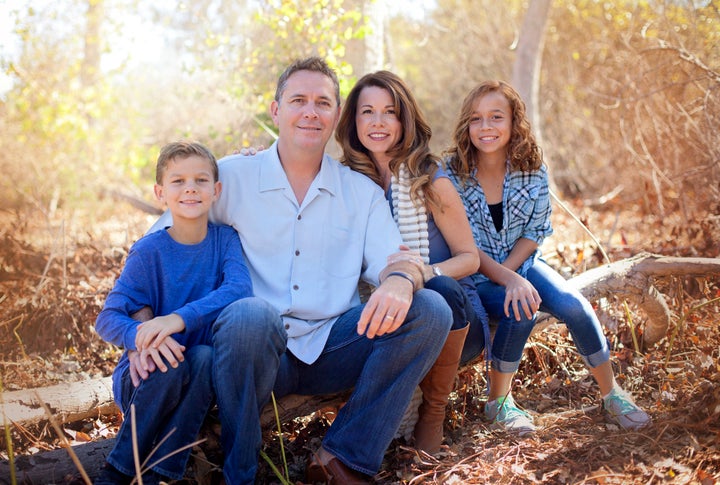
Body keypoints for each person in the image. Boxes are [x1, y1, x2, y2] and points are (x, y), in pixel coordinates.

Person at [145, 57, 452, 485]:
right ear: (275, 111)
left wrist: (401, 280)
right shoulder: (231, 176)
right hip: (249, 353)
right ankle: (242, 471)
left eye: (323, 102)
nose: (311, 112)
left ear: (335, 114)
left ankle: (342, 457)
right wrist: (146, 327)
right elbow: (156, 245)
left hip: (330, 346)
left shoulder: (359, 192)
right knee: (252, 313)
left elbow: (395, 258)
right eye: (298, 100)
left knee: (431, 310)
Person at [444, 80, 651, 435]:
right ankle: (498, 404)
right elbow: (463, 244)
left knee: (572, 304)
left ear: (513, 122)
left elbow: (535, 231)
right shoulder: (453, 173)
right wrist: (506, 280)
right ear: (467, 125)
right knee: (520, 307)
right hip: (473, 276)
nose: (486, 127)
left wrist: (512, 274)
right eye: (476, 119)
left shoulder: (532, 167)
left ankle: (612, 394)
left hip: (522, 265)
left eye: (496, 117)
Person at [334, 70, 488, 453]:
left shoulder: (429, 178)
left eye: (390, 112)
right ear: (353, 121)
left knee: (439, 290)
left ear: (405, 120)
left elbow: (469, 258)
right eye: (367, 112)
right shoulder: (344, 182)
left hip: (456, 322)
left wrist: (424, 272)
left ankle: (433, 411)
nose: (378, 122)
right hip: (385, 318)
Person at [94, 141, 253, 484]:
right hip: (144, 377)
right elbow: (107, 317)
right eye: (178, 181)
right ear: (160, 192)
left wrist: (175, 320)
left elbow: (239, 289)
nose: (190, 188)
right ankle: (116, 470)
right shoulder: (149, 251)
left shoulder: (225, 240)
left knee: (203, 356)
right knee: (170, 360)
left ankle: (160, 475)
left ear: (216, 190)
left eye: (200, 180)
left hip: (196, 375)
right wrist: (140, 337)